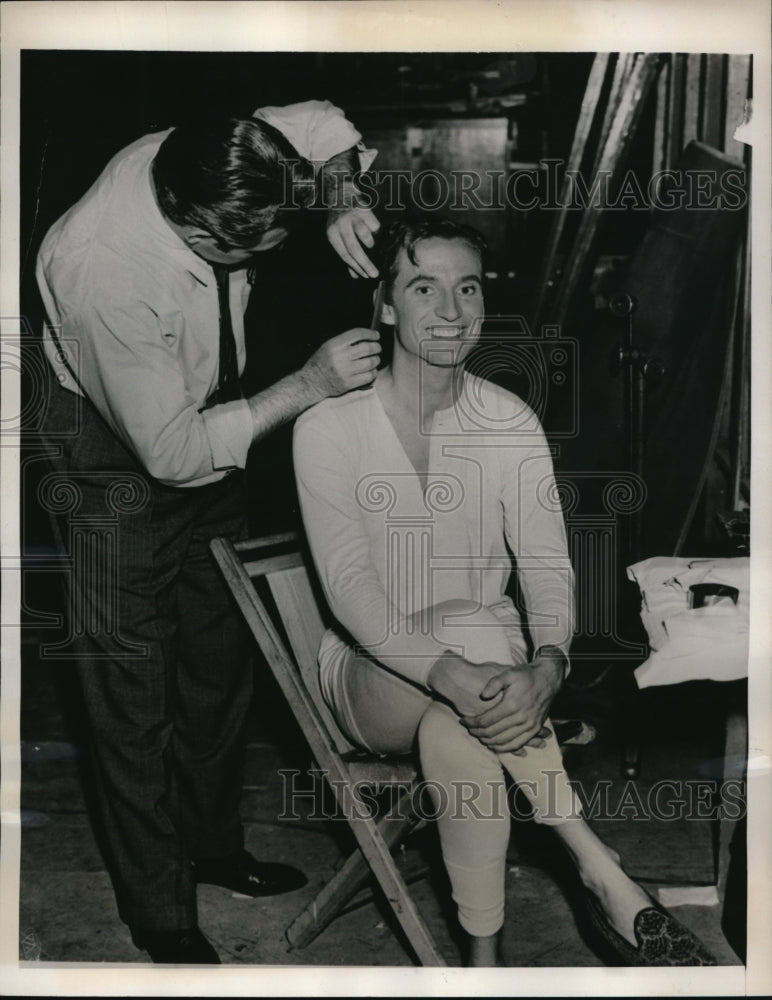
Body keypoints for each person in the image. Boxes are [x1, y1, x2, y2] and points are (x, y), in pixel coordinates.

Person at [292, 217, 718, 967]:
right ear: (386, 306)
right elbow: (353, 593)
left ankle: (483, 966)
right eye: (424, 288)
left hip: (481, 683)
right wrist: (461, 668)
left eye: (469, 289)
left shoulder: (507, 421)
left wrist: (550, 663)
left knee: (462, 717)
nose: (451, 310)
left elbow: (549, 566)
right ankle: (595, 863)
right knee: (475, 641)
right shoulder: (328, 426)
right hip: (368, 678)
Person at [35, 100, 382, 964]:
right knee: (131, 686)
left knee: (220, 656)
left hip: (202, 409)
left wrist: (337, 192)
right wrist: (304, 385)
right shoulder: (103, 271)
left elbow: (325, 121)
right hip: (108, 448)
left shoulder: (222, 152)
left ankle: (214, 845)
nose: (272, 261)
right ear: (201, 231)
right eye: (255, 251)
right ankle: (159, 909)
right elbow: (175, 456)